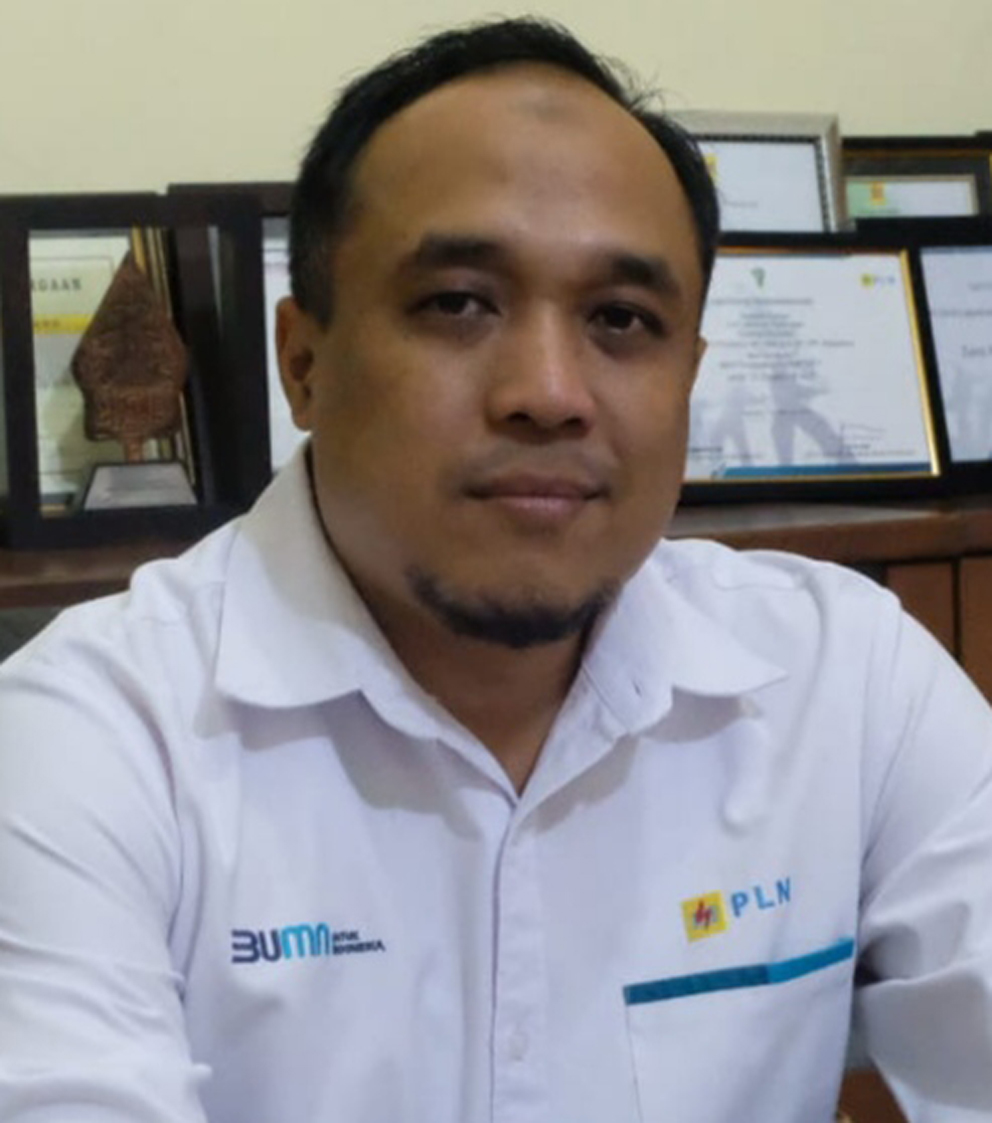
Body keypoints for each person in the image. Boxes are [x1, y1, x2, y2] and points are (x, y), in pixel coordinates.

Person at [0, 17, 990, 1123]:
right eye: (458, 303)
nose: (548, 392)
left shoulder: (846, 681)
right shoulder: (91, 738)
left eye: (622, 319)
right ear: (304, 362)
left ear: (690, 374)